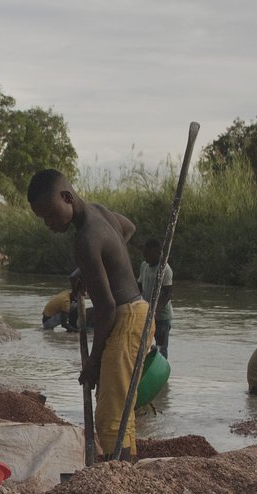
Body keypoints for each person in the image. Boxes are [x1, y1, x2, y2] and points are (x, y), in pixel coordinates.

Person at [28, 169, 141, 460]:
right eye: (43, 220)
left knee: (110, 417)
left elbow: (106, 308)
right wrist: (93, 268)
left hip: (125, 318)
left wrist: (92, 361)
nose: (49, 225)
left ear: (66, 197)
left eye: (51, 215)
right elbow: (127, 229)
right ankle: (127, 473)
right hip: (138, 313)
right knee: (120, 406)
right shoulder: (99, 212)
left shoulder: (86, 240)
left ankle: (120, 481)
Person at [138, 260, 173, 358]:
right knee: (142, 345)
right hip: (146, 312)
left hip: (162, 316)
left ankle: (160, 370)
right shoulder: (144, 265)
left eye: (149, 253)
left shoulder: (165, 268)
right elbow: (139, 287)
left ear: (158, 253)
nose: (146, 256)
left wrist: (156, 311)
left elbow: (168, 293)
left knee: (161, 348)